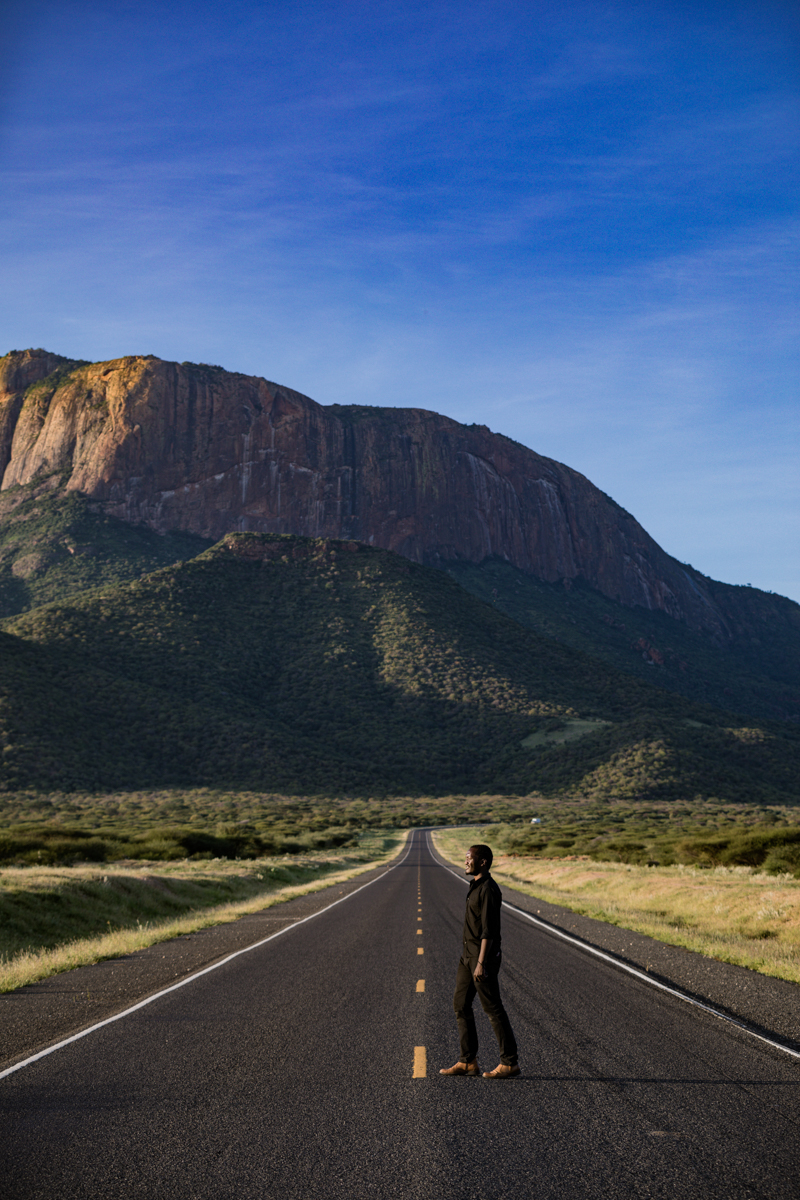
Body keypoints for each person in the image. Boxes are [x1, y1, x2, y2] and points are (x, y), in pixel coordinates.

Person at [440, 843, 520, 1079]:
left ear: (482, 861)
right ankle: (467, 1061)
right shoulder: (475, 885)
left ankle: (509, 1062)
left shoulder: (488, 889)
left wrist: (482, 963)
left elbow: (489, 931)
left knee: (493, 1008)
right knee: (460, 1004)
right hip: (467, 955)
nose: (465, 861)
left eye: (469, 858)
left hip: (480, 957)